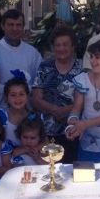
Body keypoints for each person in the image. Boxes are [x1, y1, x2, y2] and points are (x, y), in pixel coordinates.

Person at [32, 26, 84, 163]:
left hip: (74, 132)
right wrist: (55, 110)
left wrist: (64, 111)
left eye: (65, 44)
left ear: (73, 46)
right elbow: (36, 98)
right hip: (47, 133)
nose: (61, 48)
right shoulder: (45, 67)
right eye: (58, 45)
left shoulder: (82, 68)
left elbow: (87, 99)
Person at [0, 9, 42, 108]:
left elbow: (39, 82)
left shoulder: (33, 53)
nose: (14, 29)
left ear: (23, 27)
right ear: (2, 26)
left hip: (25, 111)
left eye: (18, 25)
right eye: (10, 25)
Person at [0, 73, 39, 149]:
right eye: (13, 95)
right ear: (6, 98)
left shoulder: (33, 117)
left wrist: (24, 150)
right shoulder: (1, 117)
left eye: (21, 94)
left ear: (27, 96)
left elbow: (45, 142)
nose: (17, 98)